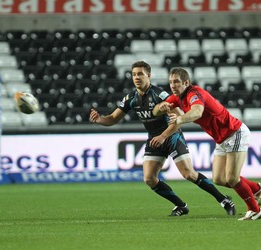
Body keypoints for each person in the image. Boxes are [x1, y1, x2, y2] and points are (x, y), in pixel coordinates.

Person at [90, 61, 236, 216]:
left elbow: (179, 119)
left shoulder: (160, 95)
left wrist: (163, 136)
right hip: (155, 139)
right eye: (134, 74)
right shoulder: (131, 98)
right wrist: (100, 119)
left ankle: (223, 199)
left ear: (149, 75)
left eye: (140, 74)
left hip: (172, 136)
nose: (136, 77)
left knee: (189, 174)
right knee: (149, 179)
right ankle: (181, 206)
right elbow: (112, 118)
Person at [152, 67, 261, 221]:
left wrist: (179, 119)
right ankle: (256, 188)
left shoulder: (194, 93)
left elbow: (197, 112)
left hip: (234, 132)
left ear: (186, 82)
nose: (173, 85)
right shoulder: (176, 97)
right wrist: (161, 107)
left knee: (232, 178)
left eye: (176, 82)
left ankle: (255, 210)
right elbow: (155, 112)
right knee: (219, 179)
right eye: (171, 82)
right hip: (221, 139)